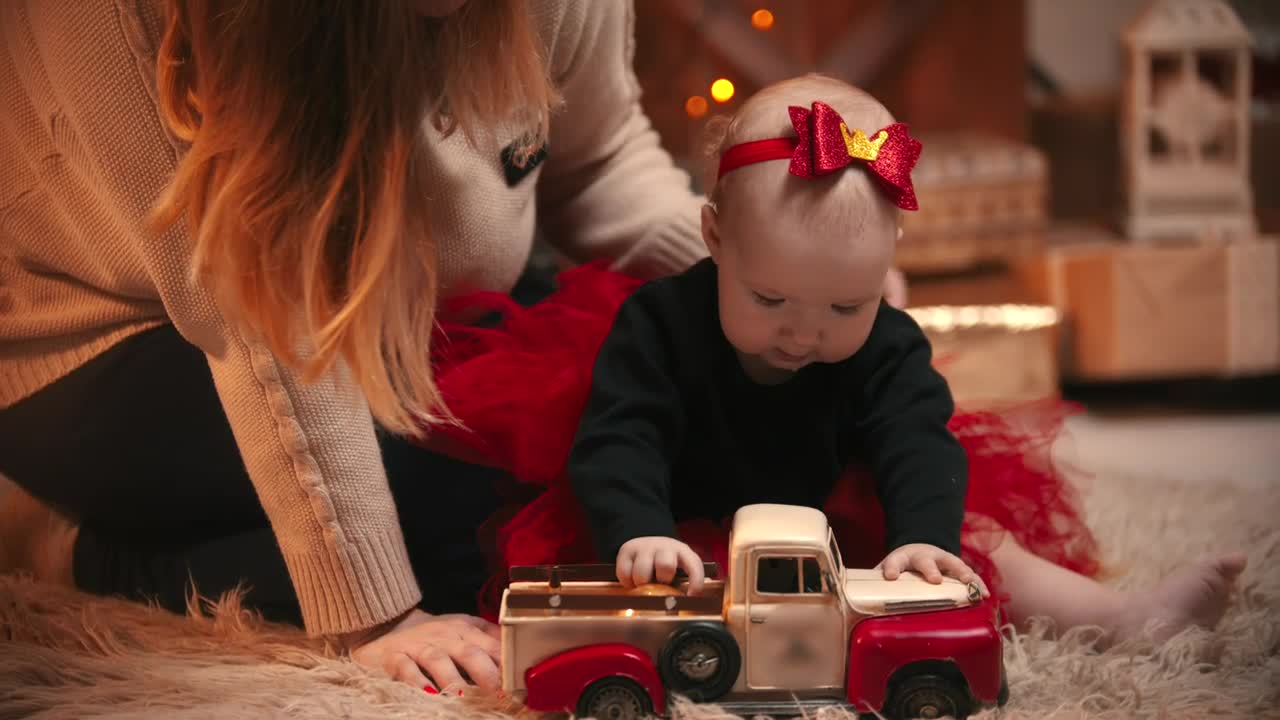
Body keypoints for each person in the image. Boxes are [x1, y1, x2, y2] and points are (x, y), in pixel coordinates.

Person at [0, 0, 916, 694]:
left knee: (629, 427)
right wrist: (377, 618)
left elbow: (599, 168)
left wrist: (780, 289)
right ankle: (65, 544)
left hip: (423, 319)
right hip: (126, 341)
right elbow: (259, 316)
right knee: (464, 529)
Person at [426, 74, 1248, 650]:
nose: (802, 335)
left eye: (843, 309)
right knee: (642, 596)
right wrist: (638, 530)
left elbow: (917, 441)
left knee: (979, 540)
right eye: (771, 300)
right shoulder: (660, 326)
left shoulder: (885, 344)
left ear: (888, 264)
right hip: (680, 521)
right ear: (714, 238)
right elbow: (621, 437)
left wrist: (924, 539)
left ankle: (1125, 619)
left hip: (831, 519)